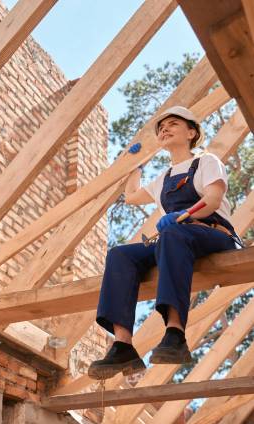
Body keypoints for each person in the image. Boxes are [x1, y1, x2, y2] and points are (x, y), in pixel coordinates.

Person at [88, 106, 241, 380]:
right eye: (161, 127)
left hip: (214, 234)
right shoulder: (162, 179)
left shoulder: (206, 162)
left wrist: (180, 217)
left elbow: (213, 200)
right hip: (175, 240)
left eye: (173, 124)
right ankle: (123, 345)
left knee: (171, 233)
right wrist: (137, 165)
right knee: (120, 255)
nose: (165, 129)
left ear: (192, 132)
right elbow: (132, 196)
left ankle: (175, 333)